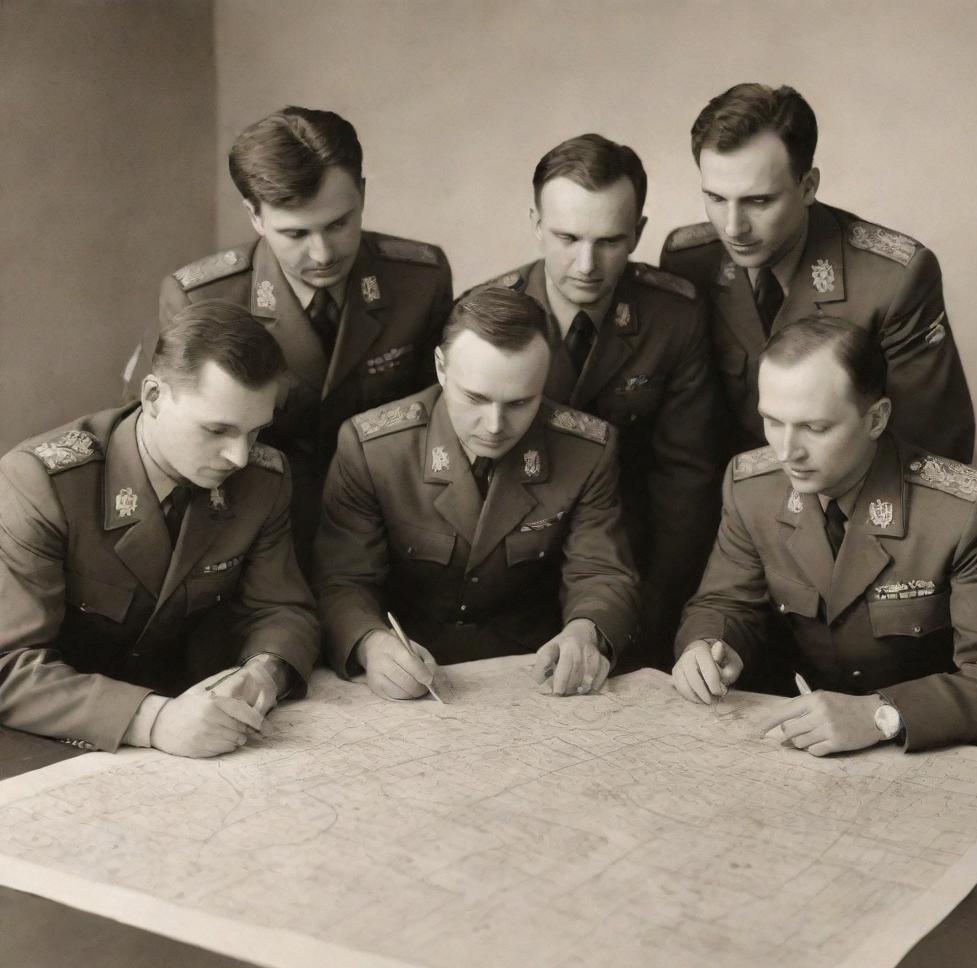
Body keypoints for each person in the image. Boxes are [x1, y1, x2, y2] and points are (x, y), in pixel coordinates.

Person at [672, 316, 977, 755]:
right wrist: (710, 644)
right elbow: (724, 603)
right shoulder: (750, 487)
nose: (786, 452)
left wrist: (882, 715)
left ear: (875, 419)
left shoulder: (964, 510)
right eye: (772, 421)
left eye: (814, 428)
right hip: (804, 748)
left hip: (927, 751)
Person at [123, 106, 453, 564]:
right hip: (252, 537)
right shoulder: (202, 298)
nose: (322, 253)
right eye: (295, 233)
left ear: (361, 193)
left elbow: (438, 419)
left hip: (387, 534)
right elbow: (152, 438)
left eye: (338, 224)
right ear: (255, 216)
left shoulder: (419, 278)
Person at [0, 301, 320, 756]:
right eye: (216, 430)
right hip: (55, 742)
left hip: (201, 733)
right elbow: (8, 666)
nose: (240, 457)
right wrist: (151, 719)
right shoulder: (41, 483)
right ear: (153, 397)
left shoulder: (264, 480)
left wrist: (263, 672)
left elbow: (282, 609)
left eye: (254, 432)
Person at [313, 286, 640, 700]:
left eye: (521, 402)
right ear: (440, 368)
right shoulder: (372, 447)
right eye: (475, 398)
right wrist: (372, 644)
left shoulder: (587, 449)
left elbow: (602, 573)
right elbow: (342, 580)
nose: (495, 424)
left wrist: (584, 633)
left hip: (533, 674)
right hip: (410, 671)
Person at [474, 133, 721, 667]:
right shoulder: (484, 318)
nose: (587, 263)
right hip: (514, 574)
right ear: (537, 225)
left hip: (632, 565)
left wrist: (652, 608)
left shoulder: (673, 315)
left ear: (639, 234)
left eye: (609, 241)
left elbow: (686, 481)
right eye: (567, 237)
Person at [661, 83, 974, 463]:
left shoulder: (893, 280)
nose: (732, 228)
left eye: (758, 201)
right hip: (733, 509)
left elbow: (930, 451)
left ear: (807, 186)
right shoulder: (690, 261)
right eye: (715, 198)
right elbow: (687, 435)